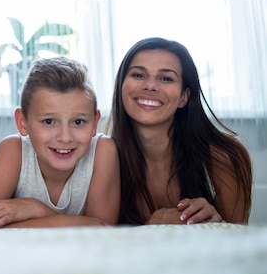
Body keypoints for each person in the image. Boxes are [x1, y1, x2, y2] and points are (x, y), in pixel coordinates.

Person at [106, 37, 253, 225]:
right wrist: (151, 228)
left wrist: (214, 225)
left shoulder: (224, 157)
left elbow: (237, 245)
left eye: (166, 78)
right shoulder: (102, 159)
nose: (150, 85)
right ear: (121, 87)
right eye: (138, 75)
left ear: (184, 97)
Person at [0, 57, 120, 230]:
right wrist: (71, 222)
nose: (65, 137)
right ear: (23, 122)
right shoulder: (14, 150)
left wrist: (37, 209)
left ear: (95, 123)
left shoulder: (103, 151)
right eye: (49, 121)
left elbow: (104, 232)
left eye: (79, 122)